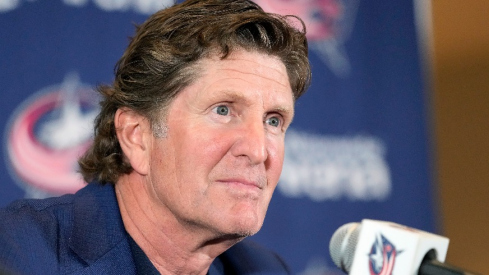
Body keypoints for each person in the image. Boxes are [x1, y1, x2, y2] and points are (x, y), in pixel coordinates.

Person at [0, 0, 311, 274]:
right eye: (223, 111)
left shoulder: (263, 269)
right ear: (137, 137)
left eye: (273, 120)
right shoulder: (19, 252)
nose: (258, 150)